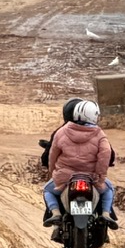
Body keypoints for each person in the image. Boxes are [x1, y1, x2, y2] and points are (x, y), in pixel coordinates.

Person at [42, 98, 117, 230]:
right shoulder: (99, 134)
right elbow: (106, 155)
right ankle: (106, 213)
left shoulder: (61, 132)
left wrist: (53, 172)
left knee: (48, 190)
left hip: (65, 178)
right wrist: (100, 177)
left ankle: (55, 213)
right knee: (109, 189)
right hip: (91, 178)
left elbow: (52, 155)